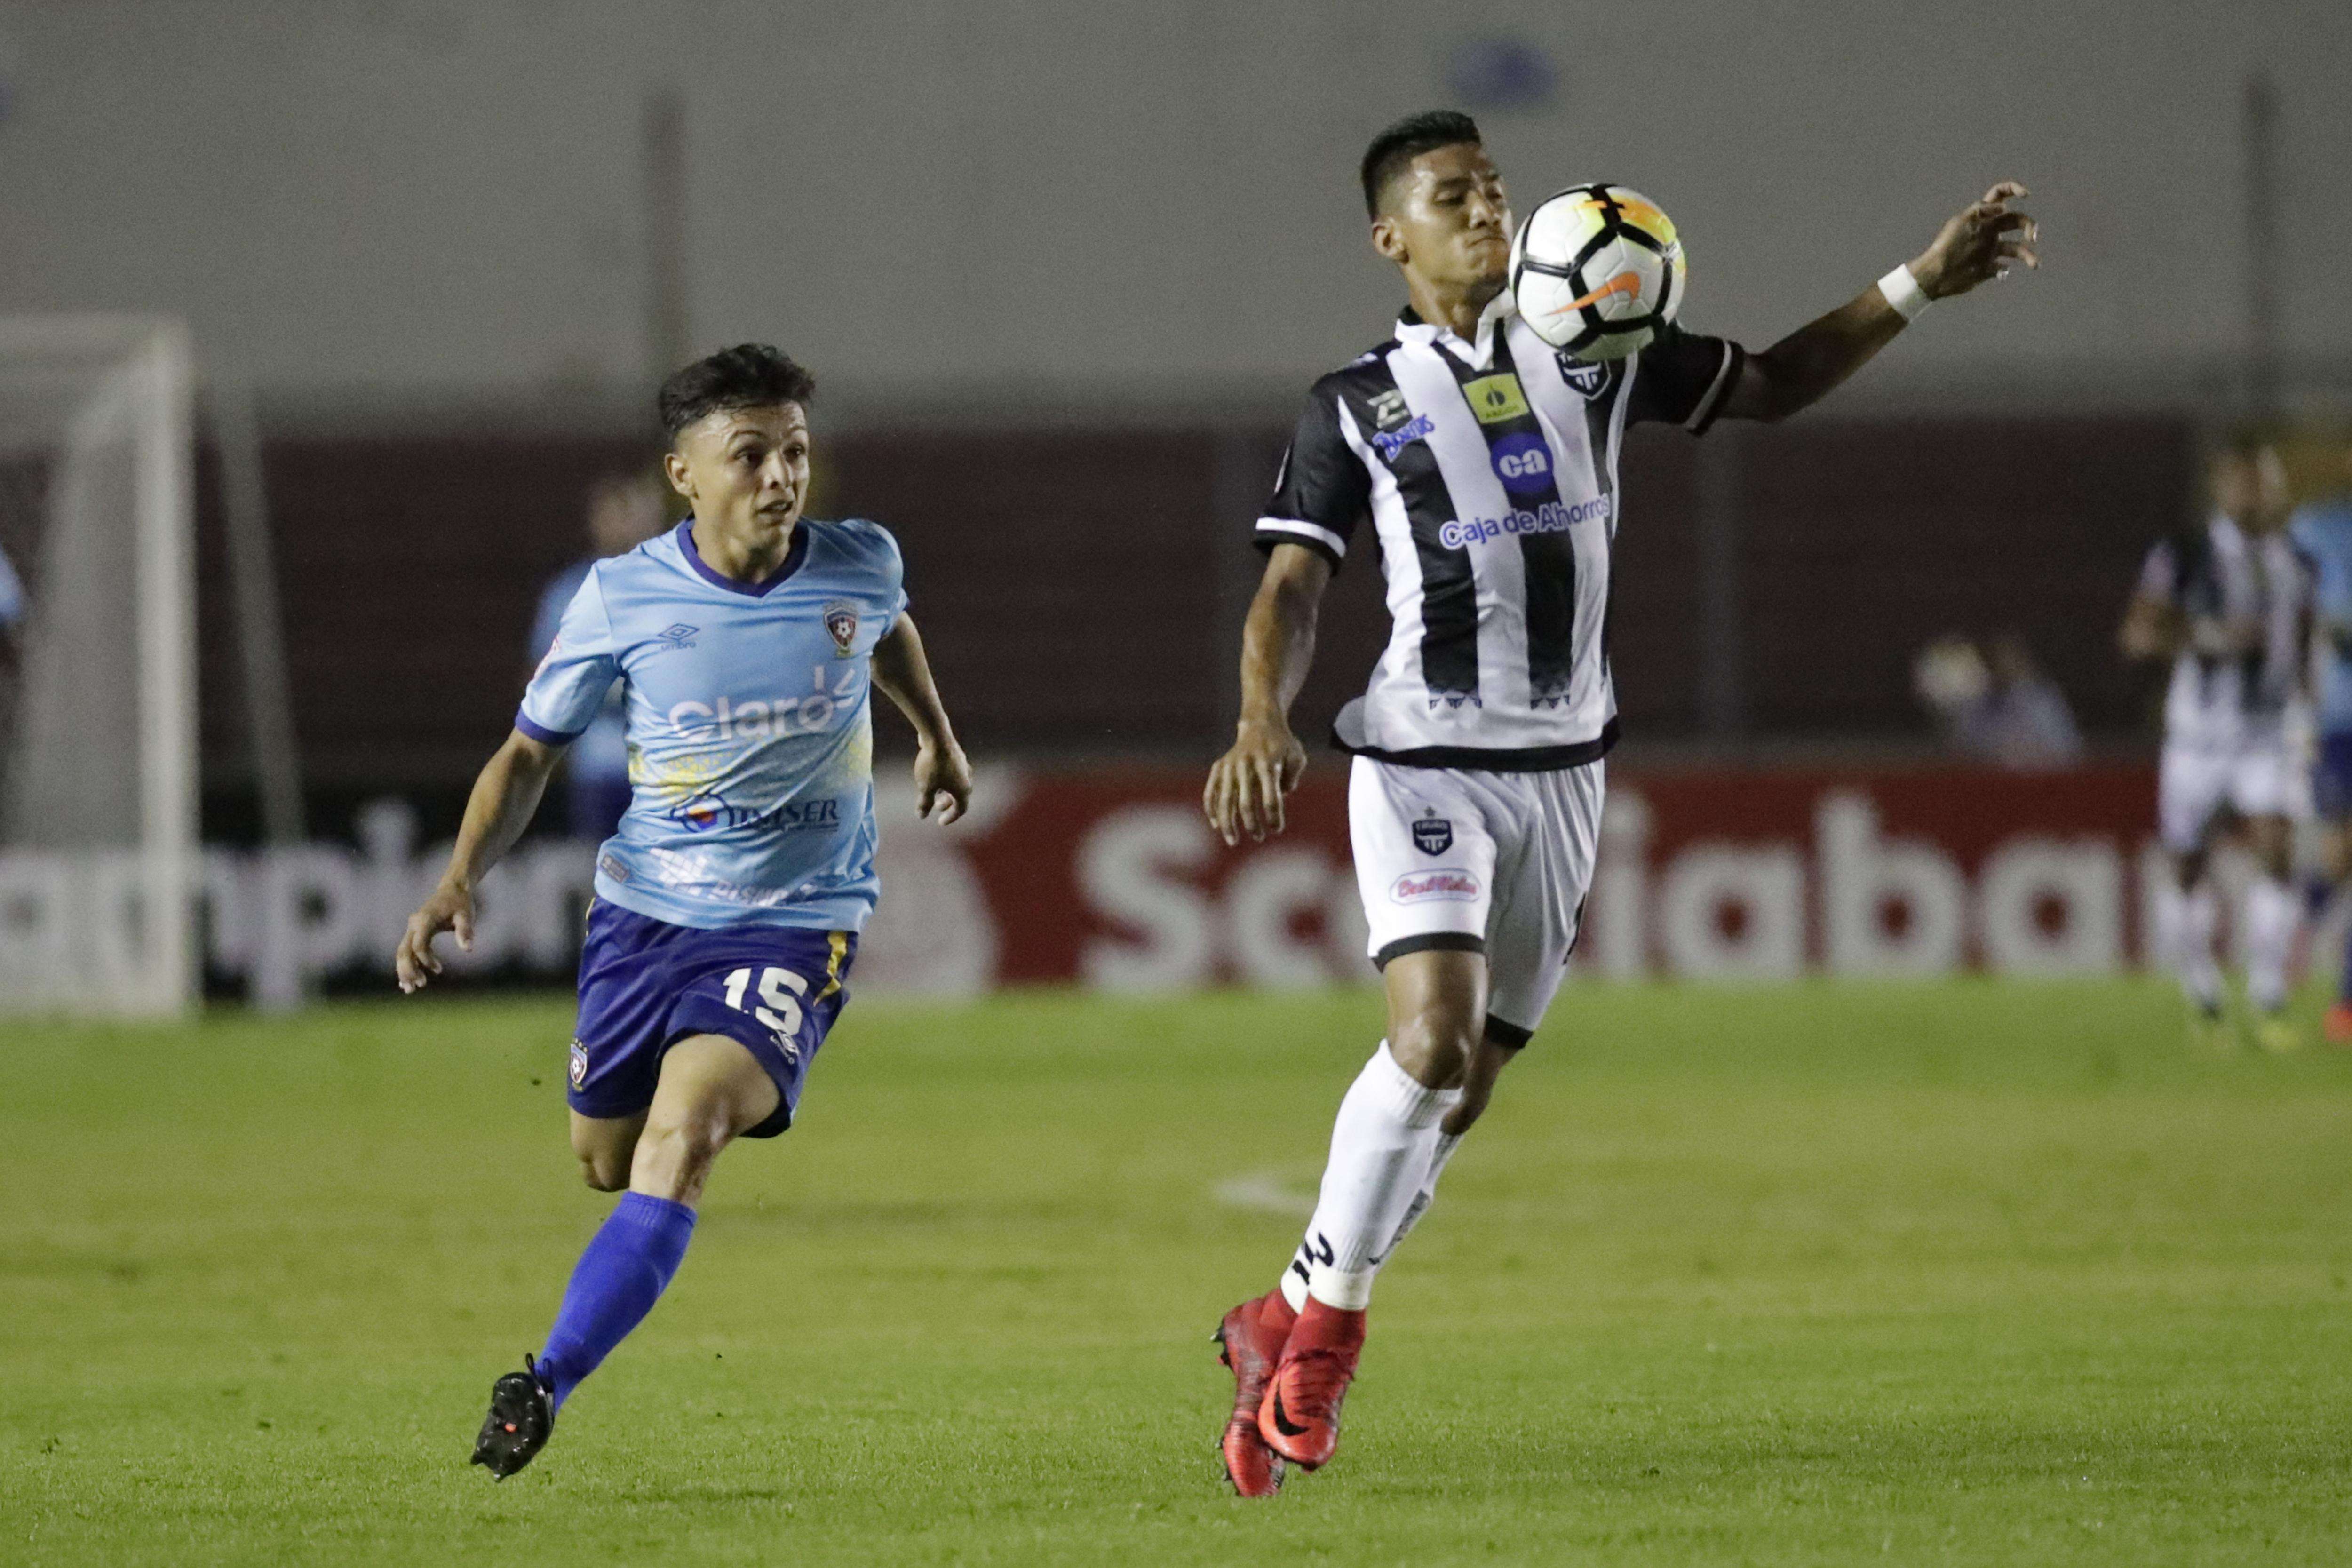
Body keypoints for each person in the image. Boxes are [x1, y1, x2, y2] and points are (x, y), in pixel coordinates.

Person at [1199, 109, 2035, 1494]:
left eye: (1492, 189)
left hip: (1565, 774)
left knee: (1459, 1091)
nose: (1484, 211)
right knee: (1432, 1038)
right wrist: (1256, 714)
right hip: (1423, 760)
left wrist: (1914, 282)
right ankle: (1326, 1340)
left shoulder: (1594, 351)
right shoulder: (1351, 403)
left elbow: (1768, 382)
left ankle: (1272, 1313)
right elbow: (1293, 583)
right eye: (1451, 196)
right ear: (1389, 235)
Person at [393, 344, 972, 1479]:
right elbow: (527, 755)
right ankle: (612, 1246)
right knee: (605, 1165)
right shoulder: (623, 595)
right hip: (644, 917)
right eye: (748, 454)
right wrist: (461, 875)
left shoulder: (859, 561)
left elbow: (887, 625)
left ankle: (542, 1379)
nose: (778, 475)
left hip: (797, 923)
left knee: (685, 1137)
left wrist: (935, 734)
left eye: (794, 451)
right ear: (684, 473)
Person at [2119, 429, 2305, 1053]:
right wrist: (2211, 639)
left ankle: (2270, 991)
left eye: (2267, 480)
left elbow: (2299, 643)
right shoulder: (2186, 554)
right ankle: (2202, 990)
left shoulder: (2297, 560)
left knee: (2278, 848)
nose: (2257, 492)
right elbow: (2139, 635)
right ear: (2223, 487)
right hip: (2199, 740)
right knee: (2188, 864)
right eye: (2246, 480)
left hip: (2269, 733)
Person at [529, 473, 671, 840]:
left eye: (635, 514)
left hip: (671, 767)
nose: (626, 526)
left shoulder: (677, 587)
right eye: (614, 514)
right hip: (600, 765)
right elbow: (541, 679)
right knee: (607, 876)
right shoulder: (570, 591)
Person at [2288, 432, 2352, 1042]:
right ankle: (2291, 930)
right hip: (2340, 720)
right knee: (2341, 851)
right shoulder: (2319, 528)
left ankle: (2347, 1006)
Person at [1912, 631, 2084, 769]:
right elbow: (1960, 748)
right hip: (1989, 786)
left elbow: (2066, 749)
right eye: (1995, 660)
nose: (2001, 667)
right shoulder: (1977, 702)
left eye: (2008, 660)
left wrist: (2026, 754)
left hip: (2039, 783)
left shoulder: (2043, 701)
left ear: (2022, 662)